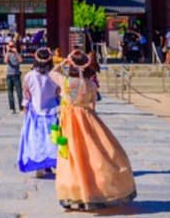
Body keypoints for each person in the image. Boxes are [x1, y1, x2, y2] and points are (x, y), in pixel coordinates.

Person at [49, 50, 137, 210]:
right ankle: (93, 191)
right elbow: (92, 104)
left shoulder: (65, 82)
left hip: (69, 122)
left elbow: (51, 73)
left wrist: (62, 64)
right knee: (93, 155)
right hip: (88, 119)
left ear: (72, 66)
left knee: (73, 157)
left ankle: (74, 192)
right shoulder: (91, 85)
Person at [18, 47, 60, 178]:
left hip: (35, 112)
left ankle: (39, 164)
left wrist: (25, 109)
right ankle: (53, 163)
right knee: (53, 138)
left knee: (37, 139)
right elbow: (58, 93)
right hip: (53, 111)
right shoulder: (54, 76)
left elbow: (26, 96)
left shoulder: (29, 76)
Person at [4, 41, 24, 114]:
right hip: (9, 75)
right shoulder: (8, 54)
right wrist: (7, 51)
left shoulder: (18, 53)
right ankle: (12, 108)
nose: (11, 48)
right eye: (10, 46)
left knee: (19, 93)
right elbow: (5, 61)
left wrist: (16, 53)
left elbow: (21, 60)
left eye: (12, 46)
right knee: (10, 92)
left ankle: (21, 108)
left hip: (16, 75)